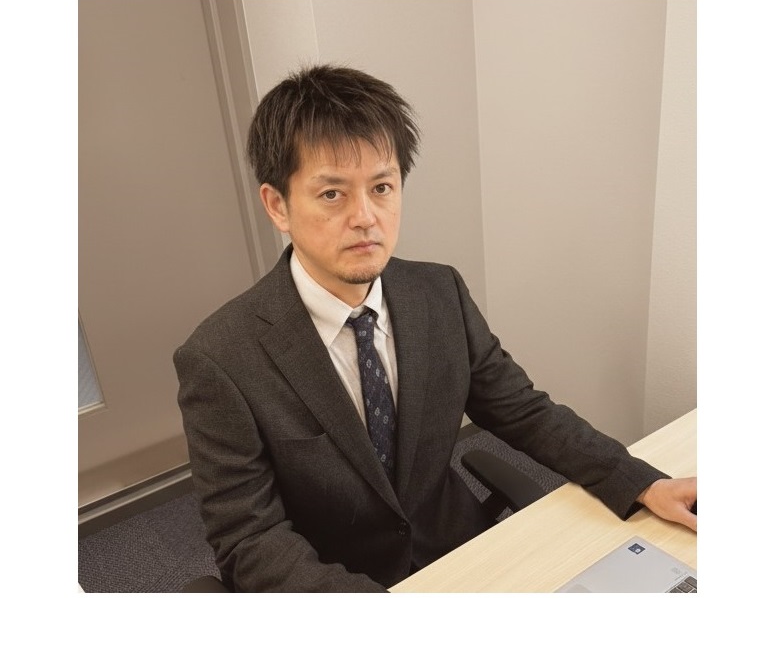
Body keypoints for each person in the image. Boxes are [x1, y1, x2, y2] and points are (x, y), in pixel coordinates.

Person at [173, 64, 697, 592]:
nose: (365, 217)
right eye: (332, 194)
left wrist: (641, 482)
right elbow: (251, 539)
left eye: (382, 187)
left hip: (461, 554)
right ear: (278, 206)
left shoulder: (438, 293)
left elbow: (524, 411)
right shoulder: (221, 359)